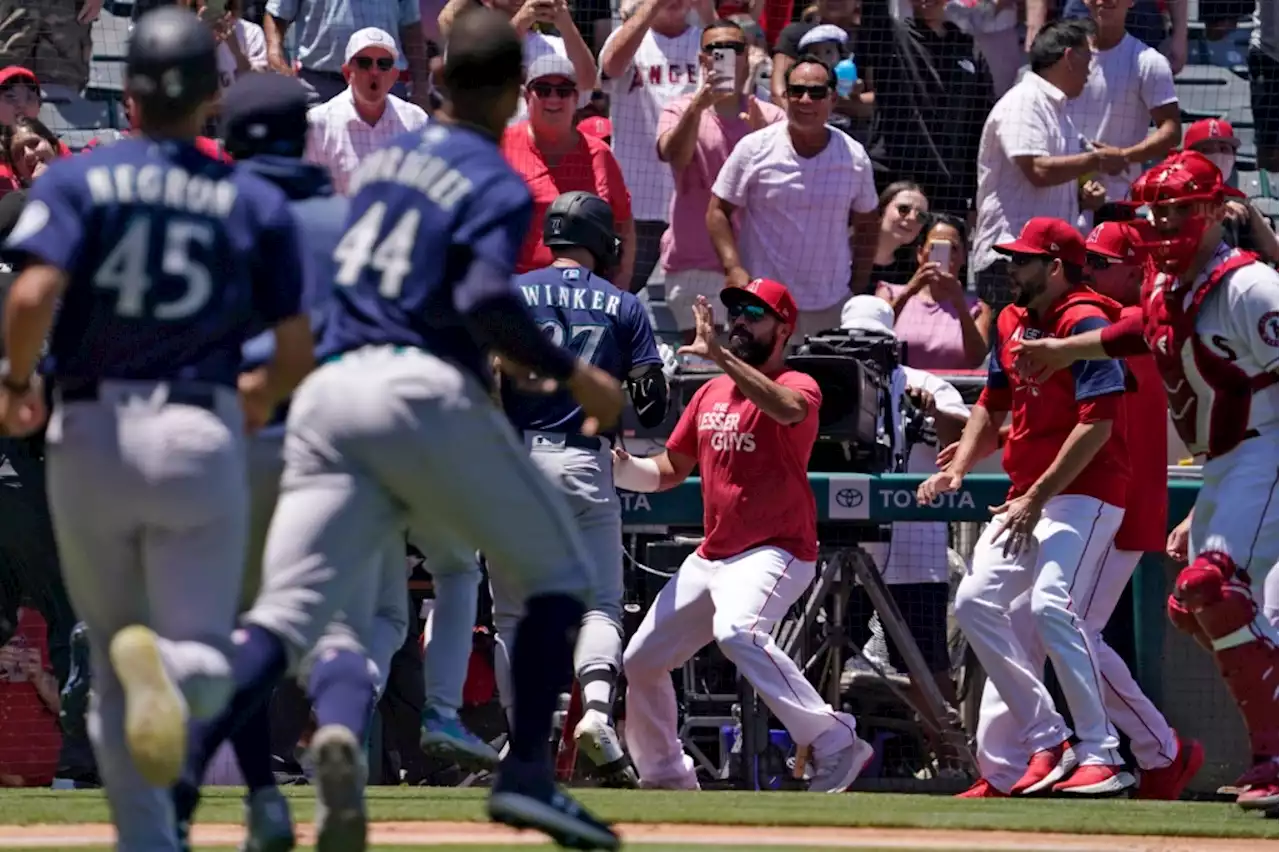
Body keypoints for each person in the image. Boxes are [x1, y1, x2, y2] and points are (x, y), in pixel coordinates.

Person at [183, 9, 623, 849]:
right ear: (506, 94)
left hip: (330, 396)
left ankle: (213, 725)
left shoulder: (392, 164)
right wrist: (573, 375)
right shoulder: (486, 174)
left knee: (340, 608)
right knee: (552, 571)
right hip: (414, 396)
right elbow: (486, 301)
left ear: (440, 78)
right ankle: (516, 769)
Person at [0, 7, 313, 850]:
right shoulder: (248, 193)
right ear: (211, 96)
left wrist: (17, 385)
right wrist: (253, 396)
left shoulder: (76, 177)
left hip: (91, 428)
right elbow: (295, 346)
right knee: (205, 644)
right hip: (197, 425)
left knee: (109, 653)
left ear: (128, 98)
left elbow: (27, 298)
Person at [166, 71, 412, 852]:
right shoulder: (354, 221)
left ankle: (226, 787)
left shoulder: (213, 216)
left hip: (242, 438)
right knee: (330, 625)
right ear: (304, 136)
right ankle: (325, 739)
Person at [1011, 150, 1280, 812]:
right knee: (1193, 605)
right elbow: (1140, 332)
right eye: (1157, 211)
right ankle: (1271, 754)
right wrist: (1059, 351)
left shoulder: (1250, 287)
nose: (1165, 222)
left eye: (1181, 210)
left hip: (1267, 448)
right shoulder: (1170, 284)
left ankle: (1274, 757)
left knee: (1212, 589)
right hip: (1227, 461)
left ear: (1218, 211)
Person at [951, 220, 1202, 800]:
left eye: (1101, 260)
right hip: (1061, 493)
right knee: (1012, 619)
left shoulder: (1127, 328)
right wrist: (974, 450)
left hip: (1113, 501)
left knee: (1059, 623)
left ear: (1134, 269)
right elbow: (1024, 406)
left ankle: (1150, 749)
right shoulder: (1090, 326)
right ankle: (1018, 763)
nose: (1091, 266)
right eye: (1084, 257)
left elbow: (1110, 431)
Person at [614, 278, 874, 793]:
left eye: (755, 314)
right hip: (713, 556)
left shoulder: (801, 384)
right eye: (737, 312)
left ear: (784, 328)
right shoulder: (710, 391)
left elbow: (786, 410)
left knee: (738, 633)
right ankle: (666, 775)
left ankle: (835, 737)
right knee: (640, 661)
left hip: (777, 550)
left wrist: (719, 356)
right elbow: (670, 468)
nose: (740, 321)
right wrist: (619, 467)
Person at [920, 217, 1135, 796]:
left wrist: (1037, 497)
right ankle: (1048, 738)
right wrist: (961, 466)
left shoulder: (1084, 321)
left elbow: (1098, 425)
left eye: (1023, 260)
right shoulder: (1012, 320)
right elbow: (993, 403)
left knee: (1051, 608)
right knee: (975, 600)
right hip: (1028, 496)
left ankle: (1103, 752)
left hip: (1085, 494)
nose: (1010, 268)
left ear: (1055, 267)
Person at [708, 57, 879, 339]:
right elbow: (717, 211)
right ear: (784, 96)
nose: (805, 100)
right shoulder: (754, 148)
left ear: (833, 98)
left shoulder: (854, 157)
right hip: (761, 305)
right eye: (796, 91)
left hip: (830, 305)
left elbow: (868, 225)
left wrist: (856, 288)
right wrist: (733, 267)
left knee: (821, 384)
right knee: (758, 383)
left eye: (816, 92)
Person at [655, 18, 785, 341]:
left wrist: (762, 137)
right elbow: (674, 156)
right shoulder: (679, 109)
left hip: (756, 264)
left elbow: (779, 188)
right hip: (693, 263)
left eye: (734, 48)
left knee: (753, 367)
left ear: (747, 55)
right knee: (701, 369)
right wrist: (698, 108)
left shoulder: (771, 117)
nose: (724, 54)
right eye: (715, 48)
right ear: (701, 59)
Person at [501, 53, 635, 289]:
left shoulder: (599, 153)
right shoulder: (502, 146)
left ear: (576, 99)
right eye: (542, 89)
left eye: (563, 90)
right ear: (526, 96)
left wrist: (620, 285)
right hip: (515, 292)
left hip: (585, 294)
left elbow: (623, 223)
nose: (553, 98)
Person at [303, 27, 430, 196]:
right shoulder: (319, 123)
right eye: (364, 63)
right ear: (348, 73)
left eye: (384, 64)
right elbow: (310, 191)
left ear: (394, 76)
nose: (374, 71)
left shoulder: (416, 120)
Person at [876, 213, 991, 370]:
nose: (947, 255)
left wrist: (961, 307)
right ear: (920, 253)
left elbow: (977, 358)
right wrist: (909, 291)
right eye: (936, 247)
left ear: (964, 257)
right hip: (900, 389)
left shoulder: (977, 309)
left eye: (954, 249)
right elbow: (874, 337)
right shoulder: (888, 293)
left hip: (953, 391)